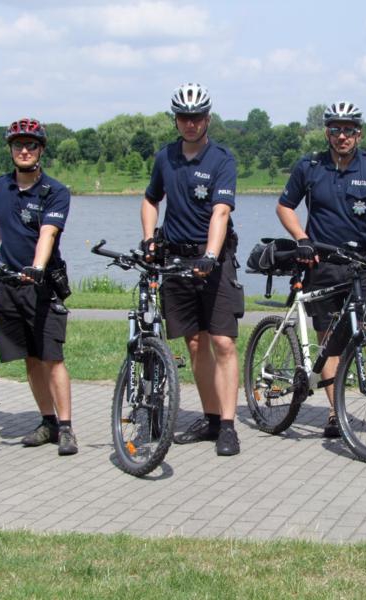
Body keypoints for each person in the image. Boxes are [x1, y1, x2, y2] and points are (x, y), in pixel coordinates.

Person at [276, 100, 366, 439]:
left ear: (359, 133)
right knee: (330, 340)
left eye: (349, 129)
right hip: (322, 264)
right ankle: (334, 410)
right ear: (327, 132)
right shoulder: (310, 166)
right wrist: (301, 237)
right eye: (336, 129)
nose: (342, 136)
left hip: (362, 266)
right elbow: (284, 207)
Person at [141, 83, 244, 456]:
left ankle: (229, 427)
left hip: (212, 258)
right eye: (184, 117)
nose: (190, 123)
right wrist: (150, 237)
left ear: (208, 119)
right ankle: (211, 418)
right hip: (175, 257)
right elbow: (151, 200)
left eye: (197, 117)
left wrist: (211, 256)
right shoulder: (165, 158)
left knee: (222, 342)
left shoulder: (221, 159)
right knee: (196, 342)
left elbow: (221, 211)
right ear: (176, 120)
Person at [0, 117, 77, 455]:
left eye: (31, 144)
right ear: (10, 149)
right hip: (8, 284)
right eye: (18, 144)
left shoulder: (55, 192)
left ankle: (65, 427)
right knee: (30, 358)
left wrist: (36, 267)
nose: (24, 150)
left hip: (41, 285)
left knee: (52, 357)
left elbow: (48, 233)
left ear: (41, 150)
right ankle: (47, 422)